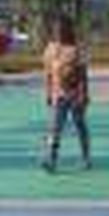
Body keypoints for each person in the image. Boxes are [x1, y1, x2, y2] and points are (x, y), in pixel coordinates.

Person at [41, 15, 91, 172]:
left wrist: (83, 94)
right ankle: (51, 158)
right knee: (55, 127)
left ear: (69, 30)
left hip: (75, 93)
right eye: (56, 30)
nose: (59, 33)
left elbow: (83, 74)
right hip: (59, 95)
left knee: (79, 125)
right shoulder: (50, 49)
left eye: (62, 30)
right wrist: (48, 92)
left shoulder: (76, 49)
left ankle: (86, 157)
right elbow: (48, 73)